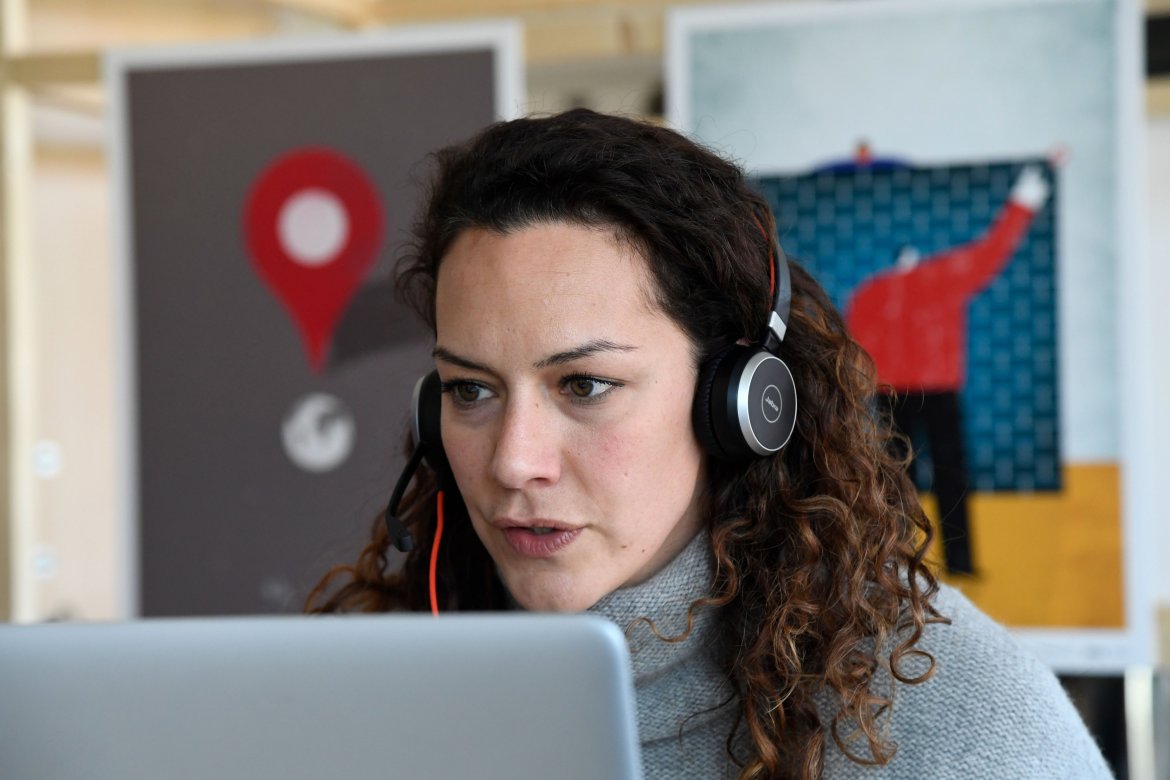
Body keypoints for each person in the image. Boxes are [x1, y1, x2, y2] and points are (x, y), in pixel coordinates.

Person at [307, 110, 1110, 779]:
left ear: (742, 403)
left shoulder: (963, 732)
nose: (514, 461)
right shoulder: (360, 690)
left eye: (584, 385)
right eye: (470, 391)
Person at [844, 166, 1052, 575]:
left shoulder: (869, 292)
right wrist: (1023, 203)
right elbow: (991, 252)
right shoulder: (937, 278)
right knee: (945, 476)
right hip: (931, 392)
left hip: (891, 393)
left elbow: (853, 352)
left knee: (896, 477)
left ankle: (897, 560)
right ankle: (959, 562)